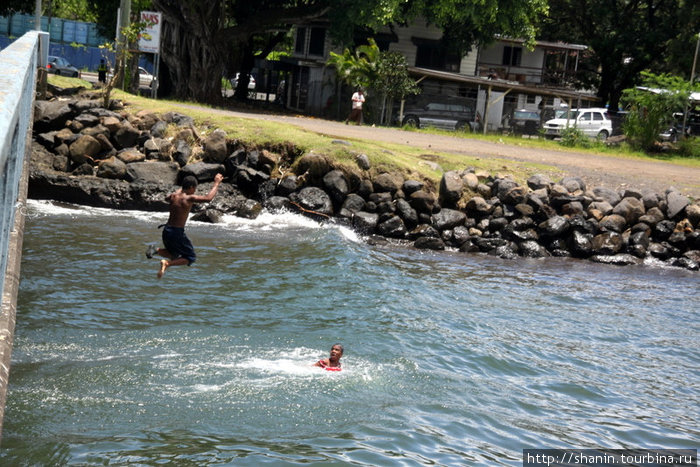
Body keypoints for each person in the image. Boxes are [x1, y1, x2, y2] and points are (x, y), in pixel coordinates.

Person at [146, 173, 224, 278]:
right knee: (190, 257)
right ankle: (167, 263)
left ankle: (155, 250)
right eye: (194, 188)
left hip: (167, 230)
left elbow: (166, 198)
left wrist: (180, 190)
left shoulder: (173, 196)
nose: (195, 191)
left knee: (174, 254)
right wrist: (216, 183)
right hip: (176, 232)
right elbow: (208, 198)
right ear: (191, 187)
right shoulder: (189, 198)